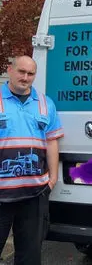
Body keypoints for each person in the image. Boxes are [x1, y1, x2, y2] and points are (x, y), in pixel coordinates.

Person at [0, 56, 64, 265]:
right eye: (21, 72)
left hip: (34, 194)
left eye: (30, 74)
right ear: (10, 70)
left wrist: (52, 179)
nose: (25, 78)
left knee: (30, 256)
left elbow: (52, 142)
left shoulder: (46, 104)